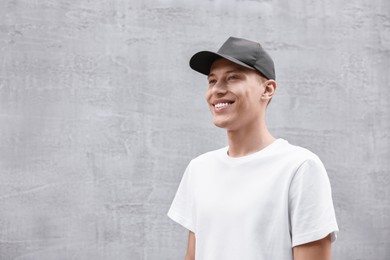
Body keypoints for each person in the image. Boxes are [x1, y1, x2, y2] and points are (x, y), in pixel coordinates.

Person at [167, 36, 339, 260]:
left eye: (233, 78)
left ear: (267, 89)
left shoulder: (299, 167)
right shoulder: (199, 168)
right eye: (212, 81)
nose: (217, 90)